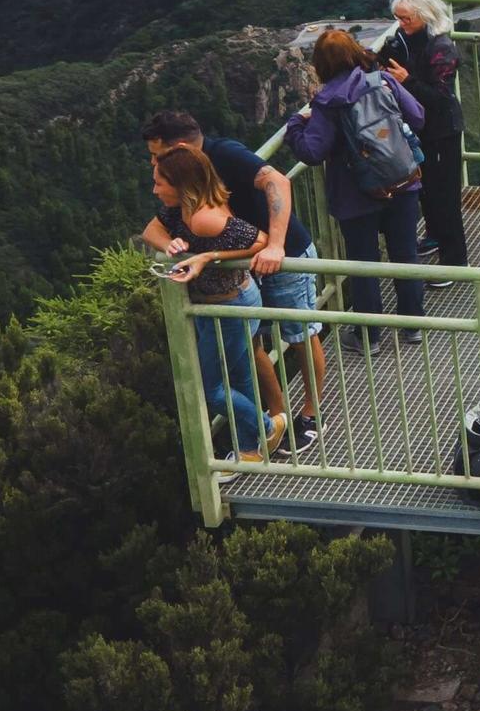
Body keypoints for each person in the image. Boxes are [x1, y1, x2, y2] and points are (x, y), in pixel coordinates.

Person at [143, 110, 323, 445]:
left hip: (285, 254)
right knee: (254, 344)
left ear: (178, 146)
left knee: (300, 336)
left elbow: (278, 181)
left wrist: (276, 246)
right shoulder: (187, 174)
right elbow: (157, 225)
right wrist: (177, 246)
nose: (154, 162)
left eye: (156, 154)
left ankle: (311, 415)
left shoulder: (224, 152)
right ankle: (276, 417)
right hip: (245, 264)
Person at [289, 27, 427, 349]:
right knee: (405, 254)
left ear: (321, 64)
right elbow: (418, 117)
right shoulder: (383, 81)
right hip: (402, 182)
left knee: (363, 264)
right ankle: (413, 326)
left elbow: (312, 152)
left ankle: (369, 337)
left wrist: (296, 125)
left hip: (356, 194)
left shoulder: (327, 102)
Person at [141, 145, 282, 460]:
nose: (154, 190)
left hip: (232, 306)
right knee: (242, 376)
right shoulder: (181, 209)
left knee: (210, 389)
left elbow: (260, 241)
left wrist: (209, 256)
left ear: (181, 186)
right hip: (217, 304)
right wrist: (171, 243)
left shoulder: (205, 218)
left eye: (160, 183)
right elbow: (150, 231)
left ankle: (266, 428)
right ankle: (250, 451)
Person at [378, 0, 467, 271]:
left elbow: (441, 97)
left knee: (446, 198)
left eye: (407, 18)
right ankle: (434, 236)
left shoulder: (442, 48)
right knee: (426, 189)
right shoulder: (406, 41)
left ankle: (454, 262)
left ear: (424, 15)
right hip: (420, 129)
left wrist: (407, 81)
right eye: (398, 18)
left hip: (442, 131)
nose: (401, 24)